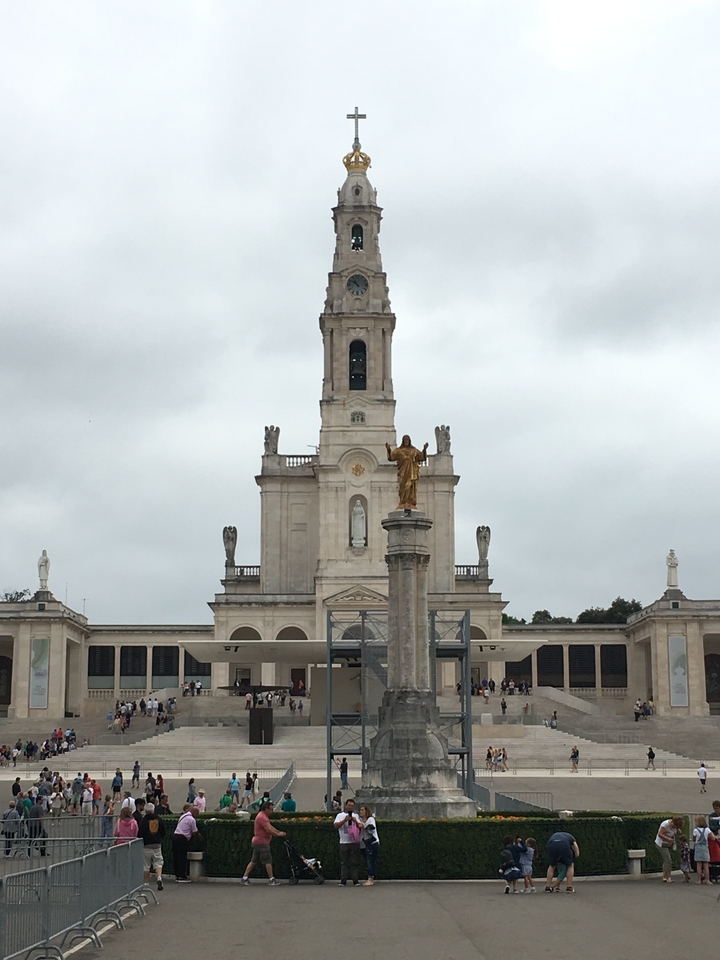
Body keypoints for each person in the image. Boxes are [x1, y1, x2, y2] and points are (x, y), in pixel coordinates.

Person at [240, 800, 286, 885]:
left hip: (257, 842)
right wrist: (278, 834)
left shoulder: (262, 816)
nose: (272, 811)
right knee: (268, 861)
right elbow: (268, 829)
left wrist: (278, 832)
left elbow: (270, 827)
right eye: (271, 810)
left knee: (254, 861)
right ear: (265, 809)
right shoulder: (263, 817)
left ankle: (245, 877)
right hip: (262, 842)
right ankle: (271, 879)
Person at [334, 798, 362, 886]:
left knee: (354, 862)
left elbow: (360, 826)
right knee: (344, 862)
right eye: (349, 805)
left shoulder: (356, 815)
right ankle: (343, 880)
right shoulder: (340, 815)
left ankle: (355, 880)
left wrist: (355, 821)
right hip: (344, 842)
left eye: (352, 806)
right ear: (345, 805)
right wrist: (345, 820)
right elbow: (336, 826)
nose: (350, 807)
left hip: (354, 841)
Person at [138, 802, 166, 891]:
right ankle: (159, 877)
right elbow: (163, 831)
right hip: (157, 844)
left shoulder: (143, 820)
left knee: (146, 864)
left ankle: (146, 883)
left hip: (146, 845)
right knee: (158, 862)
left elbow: (140, 833)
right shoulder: (158, 819)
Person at [172, 804, 198, 883]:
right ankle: (182, 875)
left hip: (175, 836)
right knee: (182, 857)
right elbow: (194, 832)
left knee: (176, 856)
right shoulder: (192, 819)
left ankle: (177, 874)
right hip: (182, 838)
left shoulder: (183, 816)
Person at [655, 816, 684, 882]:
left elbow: (676, 831)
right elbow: (660, 834)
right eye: (676, 826)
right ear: (673, 823)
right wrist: (667, 839)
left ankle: (664, 876)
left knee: (666, 860)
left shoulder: (675, 826)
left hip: (669, 844)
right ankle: (668, 877)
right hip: (661, 844)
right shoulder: (665, 824)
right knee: (668, 860)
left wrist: (677, 829)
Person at [358, 803, 379, 886]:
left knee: (371, 861)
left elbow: (371, 828)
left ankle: (371, 879)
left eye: (362, 810)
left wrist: (363, 826)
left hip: (372, 843)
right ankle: (370, 876)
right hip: (364, 844)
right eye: (360, 810)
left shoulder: (370, 819)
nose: (361, 811)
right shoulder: (360, 820)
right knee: (368, 860)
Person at [692, 816, 711, 884]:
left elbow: (694, 839)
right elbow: (712, 837)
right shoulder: (707, 830)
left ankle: (699, 880)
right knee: (706, 865)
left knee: (699, 865)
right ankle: (708, 880)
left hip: (698, 848)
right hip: (705, 847)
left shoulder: (695, 830)